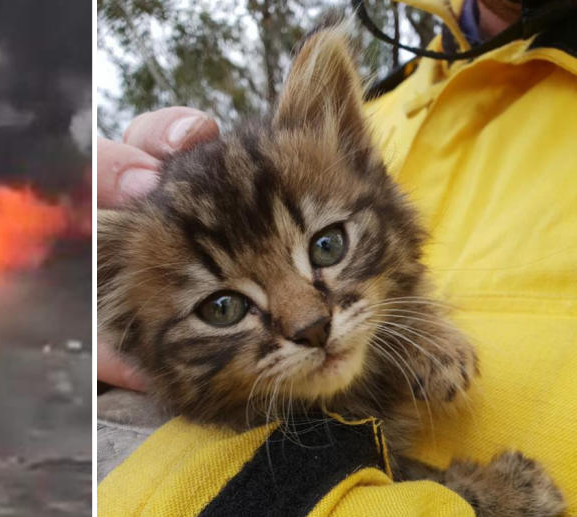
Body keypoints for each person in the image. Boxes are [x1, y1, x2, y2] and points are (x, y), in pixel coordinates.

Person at [96, 0, 577, 513]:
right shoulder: (396, 96)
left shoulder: (323, 153)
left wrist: (419, 323)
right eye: (223, 307)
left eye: (327, 246)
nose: (308, 321)